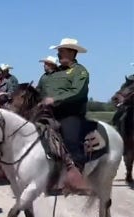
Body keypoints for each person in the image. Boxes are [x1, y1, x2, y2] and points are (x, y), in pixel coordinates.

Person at [41, 38, 92, 193]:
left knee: (70, 140)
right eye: (58, 51)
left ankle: (79, 179)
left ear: (72, 52)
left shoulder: (80, 71)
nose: (58, 54)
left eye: (61, 51)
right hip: (50, 113)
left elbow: (78, 92)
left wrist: (54, 99)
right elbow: (43, 89)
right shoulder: (55, 73)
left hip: (71, 113)